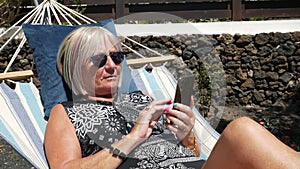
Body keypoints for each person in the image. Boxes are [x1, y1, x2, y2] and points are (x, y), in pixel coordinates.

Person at [44, 26, 300, 169]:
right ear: (75, 67)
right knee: (241, 131)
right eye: (100, 59)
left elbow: (191, 152)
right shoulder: (66, 112)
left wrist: (186, 133)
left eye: (117, 57)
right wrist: (134, 136)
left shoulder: (140, 98)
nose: (111, 65)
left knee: (244, 139)